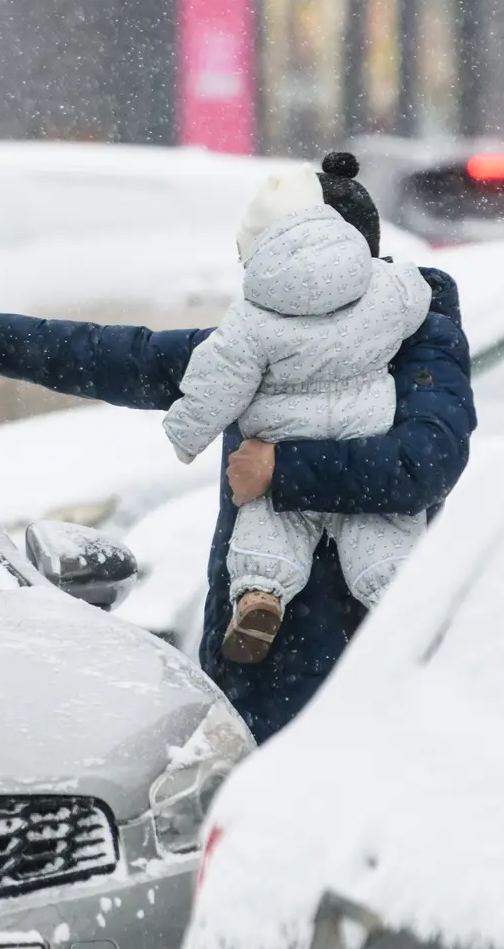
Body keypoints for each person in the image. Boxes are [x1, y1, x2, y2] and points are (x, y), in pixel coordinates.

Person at [0, 153, 474, 742]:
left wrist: (282, 469)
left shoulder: (419, 336)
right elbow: (125, 355)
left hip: (368, 667)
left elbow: (426, 462)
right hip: (258, 666)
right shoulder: (265, 336)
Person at [163, 157, 433, 664]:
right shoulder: (379, 288)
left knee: (268, 524)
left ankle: (261, 596)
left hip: (282, 445)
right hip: (365, 436)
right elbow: (420, 294)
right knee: (381, 531)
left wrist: (185, 433)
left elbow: (215, 381)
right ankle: (401, 602)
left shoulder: (250, 318)